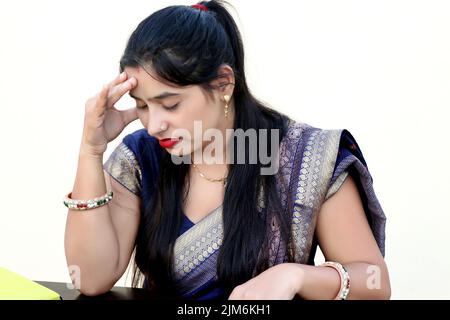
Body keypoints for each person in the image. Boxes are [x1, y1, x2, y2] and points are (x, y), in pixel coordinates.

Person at [64, 0, 391, 300]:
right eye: (143, 106)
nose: (154, 125)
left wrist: (295, 276)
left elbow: (375, 283)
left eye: (170, 104)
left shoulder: (306, 157)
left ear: (224, 84)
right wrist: (90, 151)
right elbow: (90, 279)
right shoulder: (141, 158)